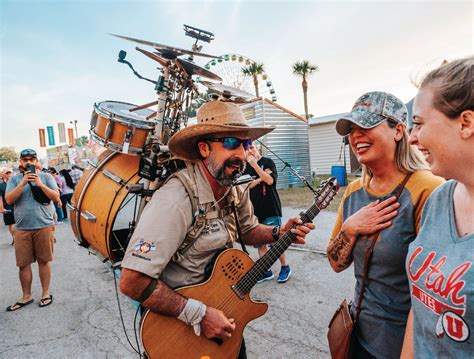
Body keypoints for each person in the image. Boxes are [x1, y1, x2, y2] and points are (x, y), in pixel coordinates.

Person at [119, 101, 315, 357]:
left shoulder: (233, 189)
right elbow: (132, 282)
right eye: (231, 143)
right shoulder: (177, 199)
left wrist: (279, 232)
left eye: (246, 145)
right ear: (204, 148)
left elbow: (247, 231)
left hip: (223, 316)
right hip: (179, 329)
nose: (242, 155)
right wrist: (200, 315)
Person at [326, 91, 444, 358]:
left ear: (399, 130)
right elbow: (335, 263)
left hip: (403, 343)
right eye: (351, 129)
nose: (355, 136)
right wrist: (351, 228)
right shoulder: (354, 191)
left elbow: (435, 292)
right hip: (357, 333)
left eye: (365, 125)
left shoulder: (428, 188)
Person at [401, 57, 474, 358]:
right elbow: (419, 309)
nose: (411, 137)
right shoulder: (439, 198)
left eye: (418, 123)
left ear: (466, 123)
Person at [5, 149, 60, 311]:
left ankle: (45, 293)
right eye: (25, 159)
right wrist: (23, 183)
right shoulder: (14, 179)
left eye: (31, 159)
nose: (28, 162)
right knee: (23, 264)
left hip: (44, 226)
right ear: (20, 162)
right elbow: (9, 200)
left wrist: (40, 184)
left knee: (44, 261)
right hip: (22, 228)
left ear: (36, 161)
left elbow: (56, 197)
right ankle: (26, 295)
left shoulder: (46, 177)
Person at [244, 144, 291, 283]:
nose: (250, 151)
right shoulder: (245, 168)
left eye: (251, 147)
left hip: (271, 208)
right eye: (247, 150)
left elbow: (270, 180)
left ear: (257, 147)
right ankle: (266, 271)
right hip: (255, 211)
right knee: (261, 243)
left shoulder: (267, 162)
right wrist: (260, 178)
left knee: (276, 242)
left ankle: (285, 267)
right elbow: (246, 186)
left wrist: (255, 166)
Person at [0, 170, 15, 245]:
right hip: (7, 206)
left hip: (17, 205)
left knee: (17, 223)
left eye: (9, 173)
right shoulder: (1, 185)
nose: (8, 175)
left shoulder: (15, 183)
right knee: (11, 223)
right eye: (7, 173)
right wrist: (1, 208)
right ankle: (15, 238)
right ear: (3, 175)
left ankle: (17, 238)